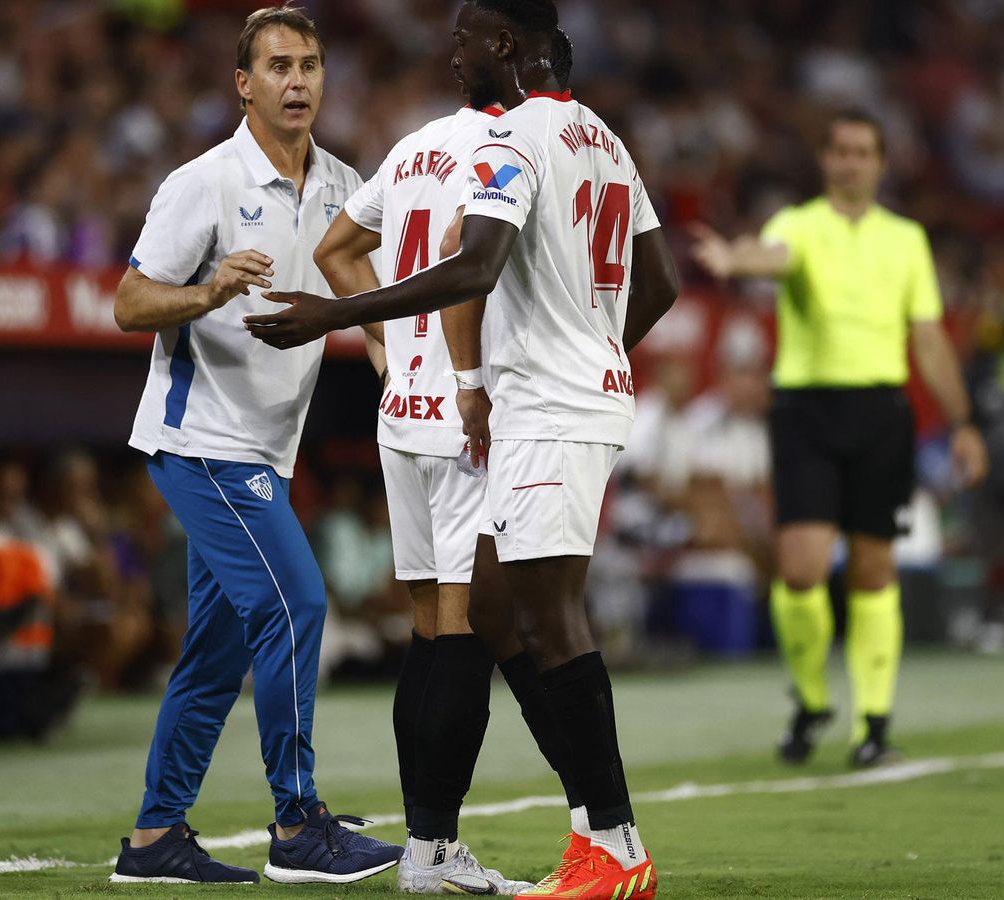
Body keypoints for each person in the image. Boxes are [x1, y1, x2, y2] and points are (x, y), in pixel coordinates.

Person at [244, 2, 679, 896]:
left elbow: (468, 268)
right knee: (487, 613)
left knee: (537, 623)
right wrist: (596, 347)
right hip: (516, 406)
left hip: (501, 410)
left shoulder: (498, 143)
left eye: (465, 41)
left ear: (507, 49)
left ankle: (611, 846)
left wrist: (341, 318)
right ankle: (528, 842)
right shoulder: (602, 137)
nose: (451, 56)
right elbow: (660, 282)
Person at [108, 5, 401, 887]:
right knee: (297, 605)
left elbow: (359, 286)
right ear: (244, 84)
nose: (298, 80)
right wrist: (205, 291)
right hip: (203, 440)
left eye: (309, 64)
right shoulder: (202, 183)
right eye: (278, 65)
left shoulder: (344, 182)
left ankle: (156, 840)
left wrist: (392, 360)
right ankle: (298, 821)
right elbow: (127, 303)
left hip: (267, 448)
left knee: (220, 648)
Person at [309, 27, 583, 897]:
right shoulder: (513, 150)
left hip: (404, 415)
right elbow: (476, 271)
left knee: (431, 628)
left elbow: (334, 252)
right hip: (472, 416)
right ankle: (431, 849)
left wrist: (388, 355)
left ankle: (427, 842)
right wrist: (465, 376)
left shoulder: (418, 146)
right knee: (466, 630)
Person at [689, 109, 989, 768]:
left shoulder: (906, 239)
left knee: (874, 571)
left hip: (881, 410)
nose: (851, 162)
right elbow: (772, 256)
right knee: (799, 570)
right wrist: (732, 256)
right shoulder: (800, 225)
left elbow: (930, 338)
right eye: (841, 151)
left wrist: (963, 423)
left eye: (863, 152)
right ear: (825, 161)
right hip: (806, 411)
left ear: (881, 164)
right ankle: (812, 697)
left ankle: (873, 722)